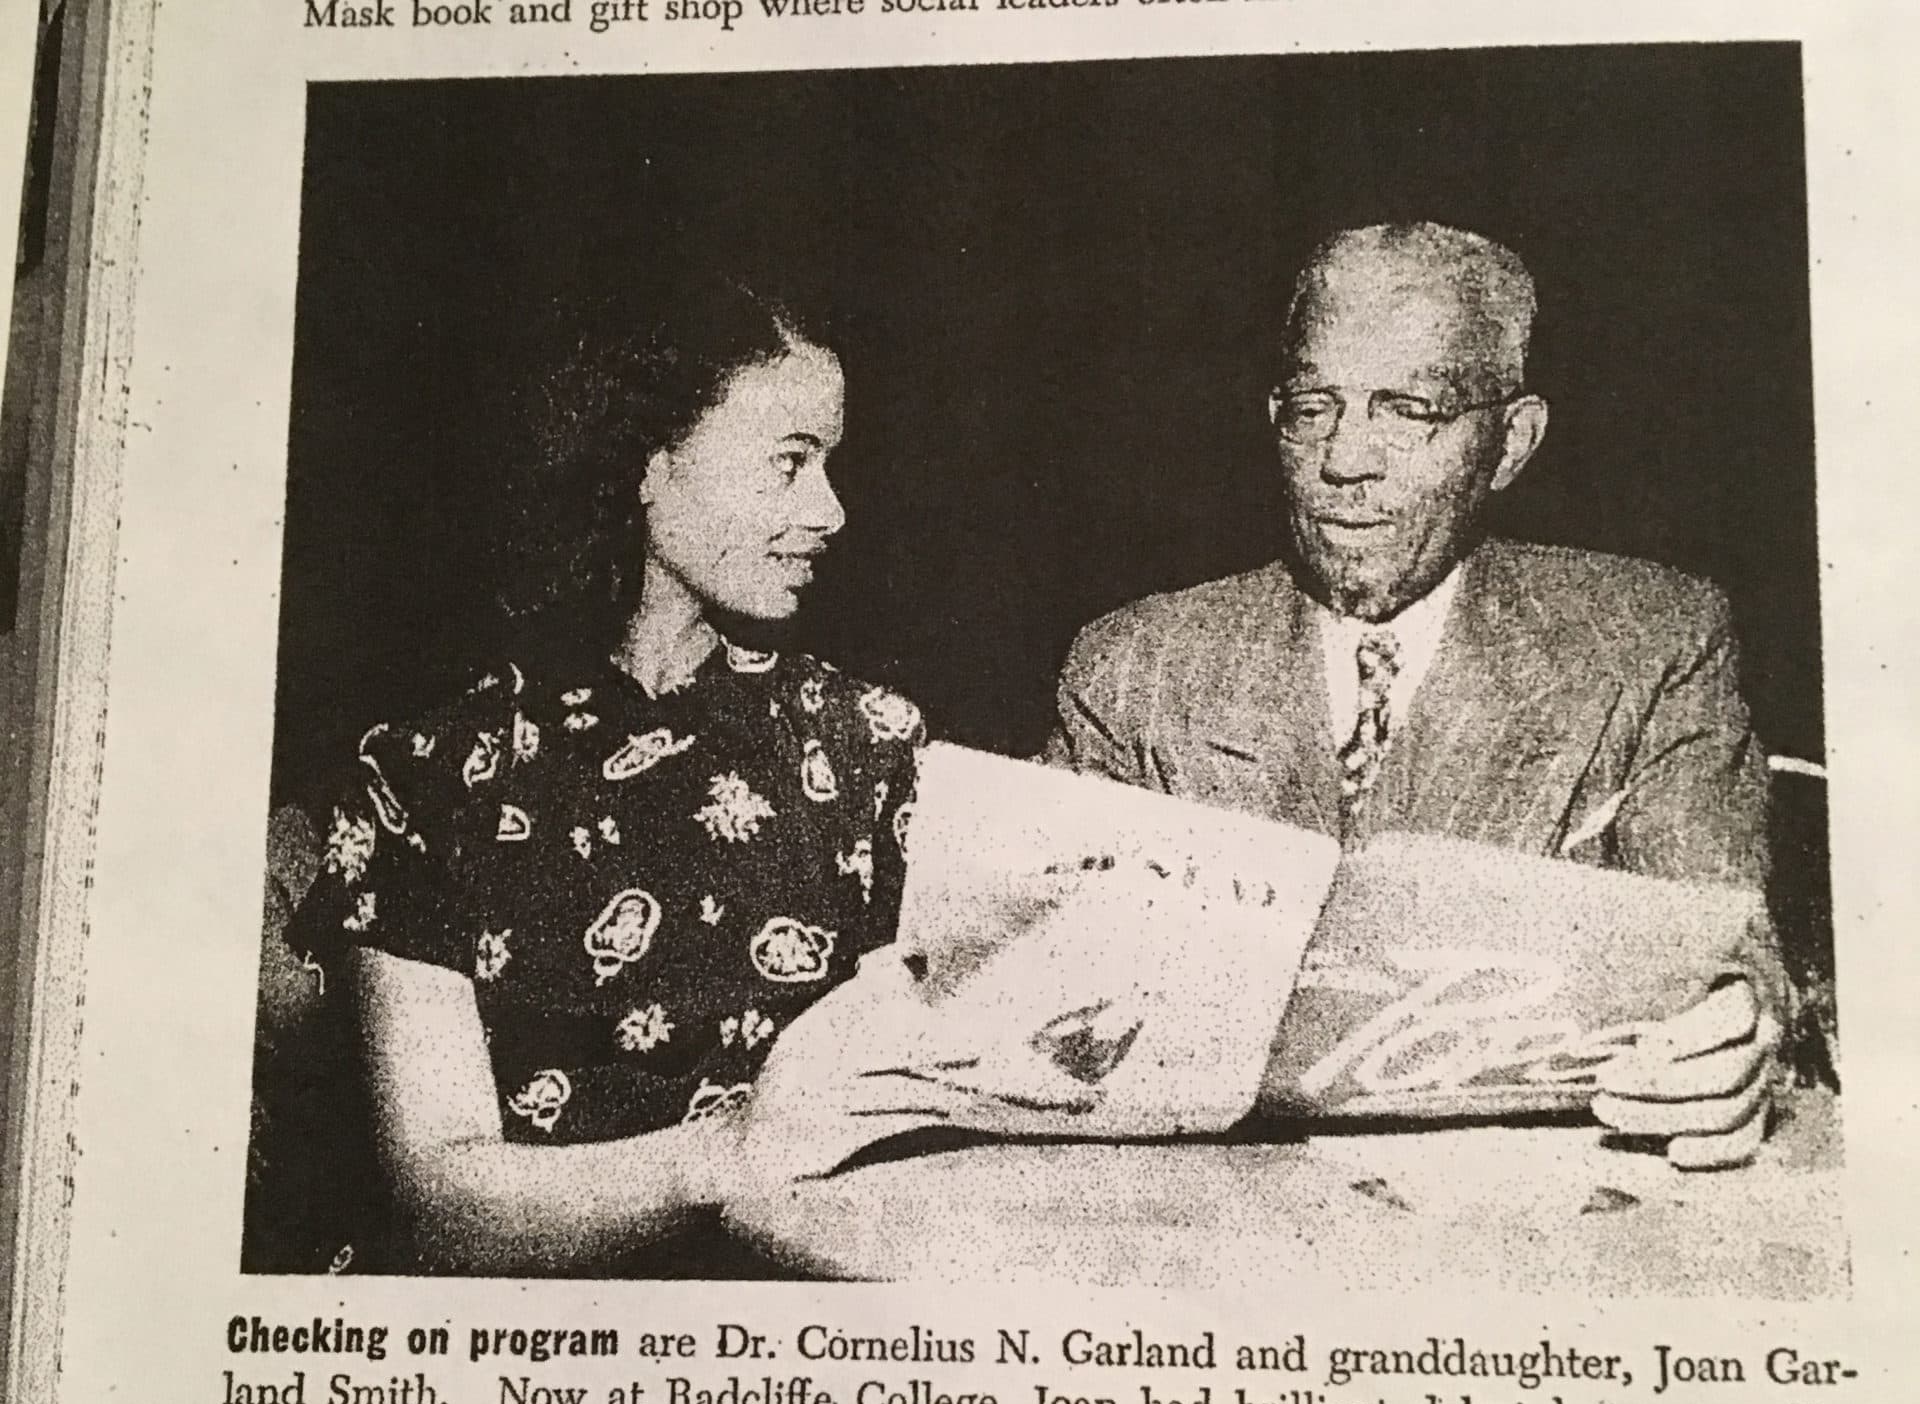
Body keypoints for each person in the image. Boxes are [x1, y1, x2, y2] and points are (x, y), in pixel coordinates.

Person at [1046, 221, 1784, 1168]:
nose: (1345, 459)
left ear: (1510, 444)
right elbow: (1048, 981)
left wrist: (1734, 1037)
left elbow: (1723, 941)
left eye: (1408, 409)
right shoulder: (1135, 668)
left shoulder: (1648, 642)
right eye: (1313, 407)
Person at [287, 278, 947, 1274]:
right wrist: (720, 1159)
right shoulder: (422, 777)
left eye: (832, 465)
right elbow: (439, 1199)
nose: (832, 510)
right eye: (788, 464)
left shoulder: (873, 749)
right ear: (651, 469)